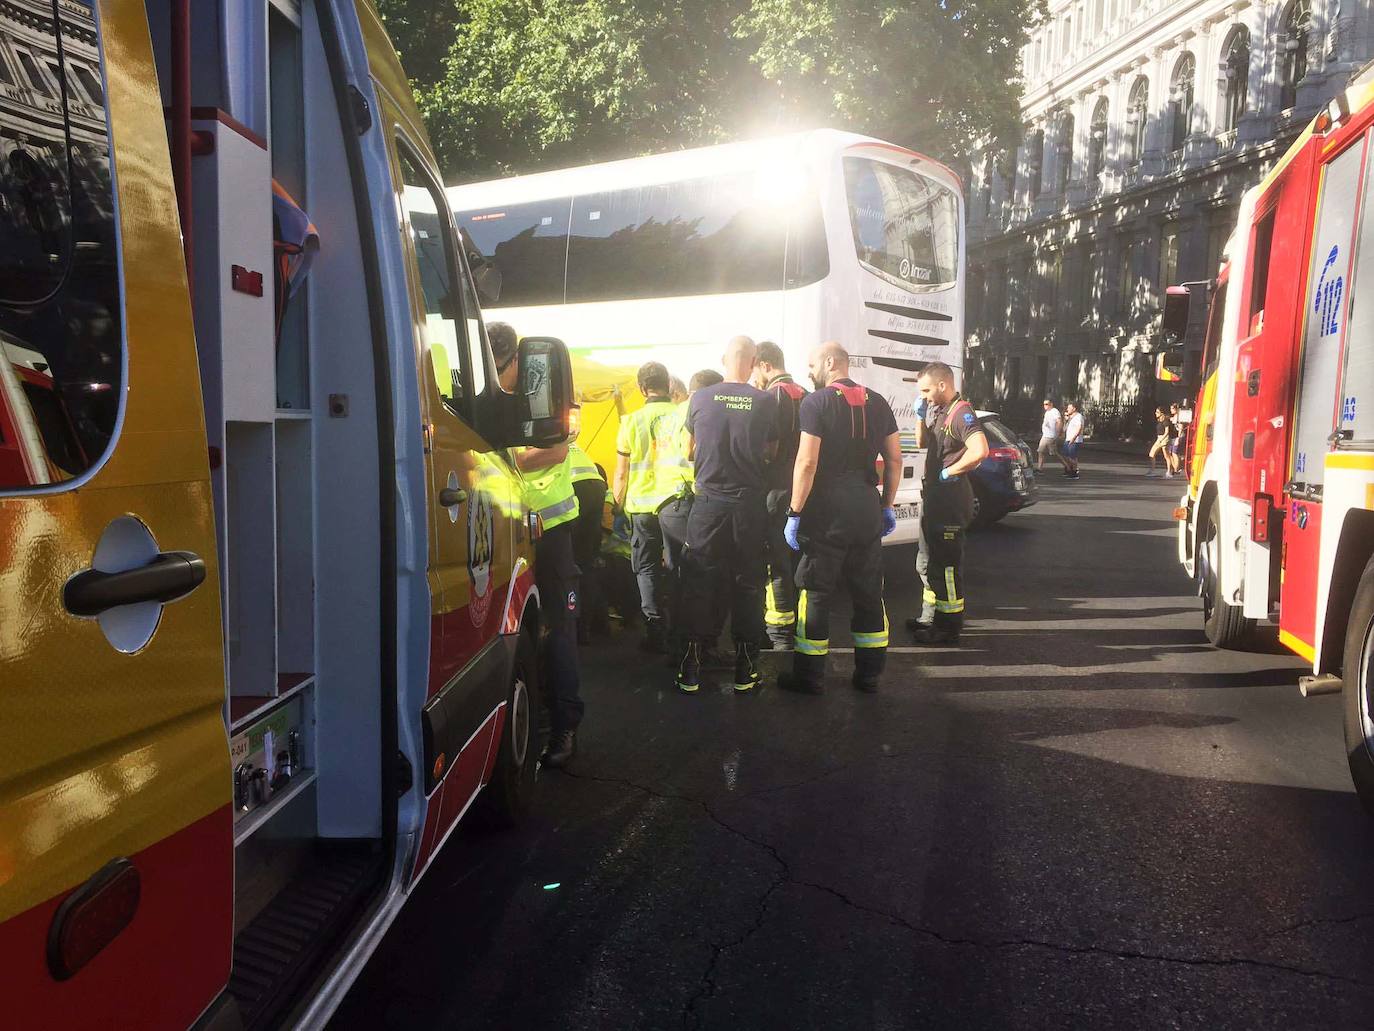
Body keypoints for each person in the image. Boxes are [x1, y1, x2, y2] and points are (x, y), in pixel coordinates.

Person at [778, 343, 901, 694]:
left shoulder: (815, 403)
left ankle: (809, 675)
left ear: (831, 363)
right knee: (868, 594)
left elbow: (806, 463)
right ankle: (869, 675)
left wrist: (795, 511)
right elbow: (894, 459)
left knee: (816, 593)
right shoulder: (878, 402)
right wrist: (887, 505)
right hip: (866, 508)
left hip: (826, 512)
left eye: (812, 363)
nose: (809, 370)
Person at [491, 322, 583, 767]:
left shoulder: (542, 399)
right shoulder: (486, 400)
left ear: (517, 364)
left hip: (549, 533)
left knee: (559, 632)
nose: (496, 375)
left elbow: (556, 450)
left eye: (500, 367)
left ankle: (564, 728)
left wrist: (499, 458)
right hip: (505, 530)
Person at [676, 337, 780, 694]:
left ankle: (690, 667)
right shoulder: (766, 401)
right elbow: (771, 451)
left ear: (723, 360)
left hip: (707, 506)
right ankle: (745, 670)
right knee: (748, 586)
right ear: (754, 362)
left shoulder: (700, 398)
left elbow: (688, 450)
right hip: (748, 506)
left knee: (699, 584)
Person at [906, 361, 989, 646]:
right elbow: (921, 444)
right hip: (935, 500)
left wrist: (950, 471)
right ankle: (929, 617)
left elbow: (980, 450)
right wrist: (919, 417)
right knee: (927, 563)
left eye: (927, 390)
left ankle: (948, 627)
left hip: (951, 502)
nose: (925, 396)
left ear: (943, 385)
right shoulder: (940, 411)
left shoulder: (961, 413)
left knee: (947, 568)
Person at [612, 362, 685, 652]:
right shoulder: (682, 414)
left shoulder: (630, 422)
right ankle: (680, 630)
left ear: (642, 388)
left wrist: (617, 507)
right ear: (668, 384)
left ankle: (654, 628)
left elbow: (620, 472)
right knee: (678, 567)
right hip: (676, 502)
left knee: (646, 569)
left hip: (641, 506)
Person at [752, 340, 808, 649]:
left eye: (755, 371)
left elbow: (768, 448)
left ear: (764, 365)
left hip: (776, 488)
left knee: (776, 561)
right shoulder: (808, 395)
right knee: (800, 558)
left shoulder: (771, 397)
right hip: (804, 489)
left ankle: (779, 632)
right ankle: (800, 625)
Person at [568, 442, 608, 642]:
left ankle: (573, 626)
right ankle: (587, 627)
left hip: (576, 487)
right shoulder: (571, 444)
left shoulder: (530, 443)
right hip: (596, 485)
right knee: (586, 562)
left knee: (570, 560)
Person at [1060, 401, 1084, 479]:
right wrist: (1066, 420)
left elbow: (1079, 428)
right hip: (1068, 439)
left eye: (1069, 408)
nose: (1067, 409)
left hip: (1075, 440)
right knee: (1065, 455)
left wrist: (1073, 438)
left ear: (1074, 408)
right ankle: (1069, 469)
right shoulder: (1070, 418)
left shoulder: (1078, 417)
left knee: (1072, 456)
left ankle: (1075, 471)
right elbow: (1064, 429)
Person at [1037, 399, 1061, 471]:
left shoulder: (1055, 411)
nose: (1045, 406)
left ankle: (1067, 466)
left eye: (1047, 404)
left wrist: (1057, 433)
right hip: (1045, 435)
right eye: (1044, 404)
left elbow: (1059, 422)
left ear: (1051, 404)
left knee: (1054, 453)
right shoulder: (1047, 412)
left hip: (1051, 436)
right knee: (1040, 451)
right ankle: (1039, 469)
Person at [1147, 406, 1172, 477]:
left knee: (1166, 455)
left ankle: (1169, 472)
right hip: (1159, 438)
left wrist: (1162, 439)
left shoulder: (1165, 421)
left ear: (1162, 413)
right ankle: (1152, 471)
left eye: (1157, 412)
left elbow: (1167, 432)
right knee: (1152, 454)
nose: (1156, 413)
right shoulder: (1159, 420)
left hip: (1164, 438)